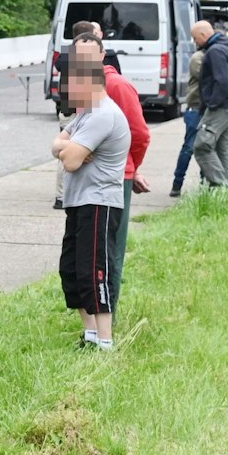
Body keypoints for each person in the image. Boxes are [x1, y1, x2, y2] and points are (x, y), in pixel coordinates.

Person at [52, 33, 130, 349]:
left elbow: (69, 161)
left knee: (95, 271)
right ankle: (90, 335)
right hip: (79, 201)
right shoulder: (86, 112)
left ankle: (106, 342)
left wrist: (69, 149)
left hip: (98, 202)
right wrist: (70, 147)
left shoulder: (102, 114)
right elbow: (57, 144)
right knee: (72, 271)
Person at [99, 51, 151, 311]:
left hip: (118, 175)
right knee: (102, 251)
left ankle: (109, 315)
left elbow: (139, 134)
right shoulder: (90, 84)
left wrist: (133, 167)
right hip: (100, 175)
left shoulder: (116, 85)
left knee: (111, 250)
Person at [191, 19, 228, 188]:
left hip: (221, 107)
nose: (195, 42)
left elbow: (223, 82)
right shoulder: (227, 47)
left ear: (204, 35)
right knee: (222, 147)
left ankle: (221, 188)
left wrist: (212, 104)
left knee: (202, 146)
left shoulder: (214, 51)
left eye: (195, 38)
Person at [170, 44, 205, 198]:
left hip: (207, 108)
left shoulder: (210, 57)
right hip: (196, 108)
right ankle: (177, 184)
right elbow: (208, 77)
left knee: (207, 148)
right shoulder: (198, 58)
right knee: (189, 148)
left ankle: (206, 186)